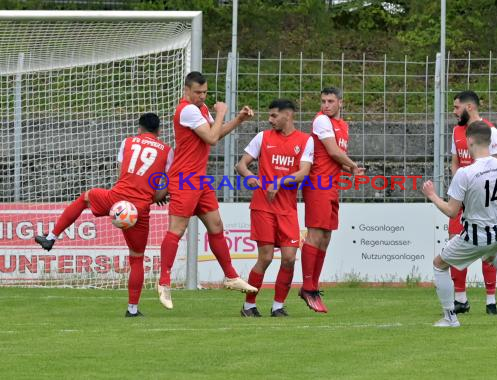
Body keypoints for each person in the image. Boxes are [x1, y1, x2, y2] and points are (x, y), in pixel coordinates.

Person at [35, 113, 173, 318]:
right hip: (140, 209)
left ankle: (51, 237)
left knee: (86, 197)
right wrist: (151, 198)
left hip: (117, 199)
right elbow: (162, 190)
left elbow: (121, 176)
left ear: (139, 128)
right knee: (137, 259)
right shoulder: (168, 151)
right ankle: (132, 309)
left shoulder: (127, 142)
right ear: (159, 131)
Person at [422, 121, 497, 327]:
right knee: (492, 256)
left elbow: (452, 211)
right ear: (490, 142)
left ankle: (450, 318)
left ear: (470, 141)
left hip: (474, 235)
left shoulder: (465, 173)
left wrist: (432, 195)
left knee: (439, 265)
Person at [157, 71, 257, 310]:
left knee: (216, 226)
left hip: (199, 179)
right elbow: (211, 139)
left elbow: (215, 133)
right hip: (184, 179)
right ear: (187, 91)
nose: (202, 96)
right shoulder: (187, 110)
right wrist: (222, 112)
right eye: (198, 92)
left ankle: (231, 276)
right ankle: (164, 282)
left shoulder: (199, 109)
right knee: (177, 229)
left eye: (205, 92)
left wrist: (238, 120)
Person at [235, 99, 314, 317]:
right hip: (263, 207)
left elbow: (303, 173)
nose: (269, 120)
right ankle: (249, 305)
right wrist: (250, 176)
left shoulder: (305, 141)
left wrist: (279, 182)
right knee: (266, 257)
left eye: (273, 116)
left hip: (287, 209)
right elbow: (241, 164)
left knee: (289, 258)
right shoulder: (263, 137)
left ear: (287, 115)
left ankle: (278, 306)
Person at [299, 87, 364, 313]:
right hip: (317, 184)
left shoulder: (342, 126)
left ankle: (312, 287)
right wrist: (353, 165)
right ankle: (308, 287)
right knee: (315, 235)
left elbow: (336, 160)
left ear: (340, 103)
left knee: (325, 237)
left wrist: (349, 170)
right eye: (323, 101)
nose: (325, 105)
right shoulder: (321, 122)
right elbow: (333, 152)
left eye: (330, 101)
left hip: (331, 186)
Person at [450, 90, 497, 315]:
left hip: (483, 201)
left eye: (456, 107)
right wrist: (458, 192)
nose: (454, 112)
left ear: (469, 107)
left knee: (488, 249)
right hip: (462, 198)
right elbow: (455, 163)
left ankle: (491, 300)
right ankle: (460, 299)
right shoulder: (456, 131)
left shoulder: (490, 131)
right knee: (454, 244)